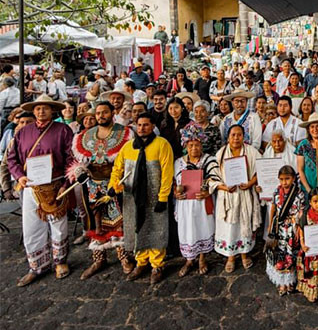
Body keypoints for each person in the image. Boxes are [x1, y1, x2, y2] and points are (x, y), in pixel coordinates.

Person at [7, 95, 75, 286]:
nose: (41, 111)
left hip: (55, 183)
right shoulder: (23, 132)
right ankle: (37, 265)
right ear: (33, 111)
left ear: (52, 110)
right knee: (31, 227)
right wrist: (19, 175)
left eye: (45, 108)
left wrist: (66, 182)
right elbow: (12, 159)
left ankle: (60, 261)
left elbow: (71, 158)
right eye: (37, 109)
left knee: (58, 226)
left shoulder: (63, 130)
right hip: (30, 185)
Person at [69, 102, 135, 280]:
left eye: (104, 112)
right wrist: (80, 171)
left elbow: (128, 159)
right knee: (94, 221)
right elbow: (80, 161)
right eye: (98, 113)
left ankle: (124, 257)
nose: (100, 116)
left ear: (112, 113)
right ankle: (99, 258)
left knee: (118, 220)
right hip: (92, 185)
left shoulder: (124, 133)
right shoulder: (85, 136)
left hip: (116, 183)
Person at [108, 112, 174, 285]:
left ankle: (157, 265)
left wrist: (163, 197)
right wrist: (112, 185)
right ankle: (141, 261)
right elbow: (118, 168)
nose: (142, 128)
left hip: (154, 195)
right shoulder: (128, 147)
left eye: (146, 125)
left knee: (156, 228)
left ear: (152, 126)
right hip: (132, 196)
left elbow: (167, 173)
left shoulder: (162, 144)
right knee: (136, 227)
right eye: (139, 125)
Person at [214, 124, 262, 272]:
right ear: (228, 137)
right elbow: (213, 177)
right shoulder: (221, 154)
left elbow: (261, 169)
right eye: (233, 135)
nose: (236, 138)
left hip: (245, 193)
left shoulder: (251, 152)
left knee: (243, 225)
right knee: (230, 227)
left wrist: (250, 183)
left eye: (239, 135)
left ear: (244, 137)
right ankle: (230, 256)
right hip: (228, 196)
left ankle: (244, 254)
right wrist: (224, 187)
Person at [173, 122, 219, 277]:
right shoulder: (178, 163)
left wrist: (207, 191)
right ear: (186, 145)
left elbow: (215, 179)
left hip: (202, 202)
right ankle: (189, 259)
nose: (194, 149)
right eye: (191, 145)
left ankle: (201, 258)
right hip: (185, 204)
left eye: (197, 145)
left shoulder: (209, 160)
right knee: (187, 230)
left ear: (202, 145)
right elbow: (174, 183)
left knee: (202, 227)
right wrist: (176, 193)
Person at [265, 165, 305, 295]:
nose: (284, 182)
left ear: (293, 178)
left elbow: (300, 212)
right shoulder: (277, 192)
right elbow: (273, 208)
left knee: (291, 253)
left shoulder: (298, 193)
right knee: (280, 253)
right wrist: (270, 224)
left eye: (287, 179)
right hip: (280, 229)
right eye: (281, 179)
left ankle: (290, 282)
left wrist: (299, 228)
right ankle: (282, 283)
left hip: (292, 229)